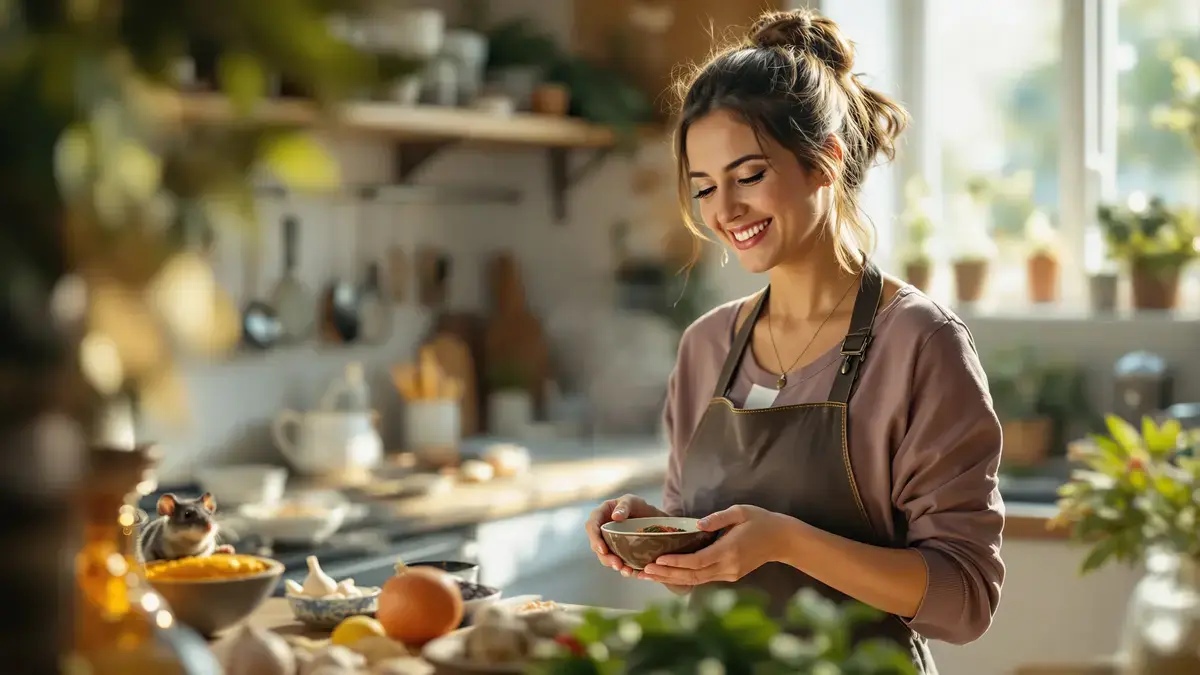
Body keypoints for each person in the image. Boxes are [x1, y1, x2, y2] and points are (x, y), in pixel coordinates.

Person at [583, 8, 1005, 672]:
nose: (725, 210)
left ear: (823, 163)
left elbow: (966, 599)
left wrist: (786, 540)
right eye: (704, 188)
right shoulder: (705, 348)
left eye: (748, 176)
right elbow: (707, 570)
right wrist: (659, 538)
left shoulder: (919, 344)